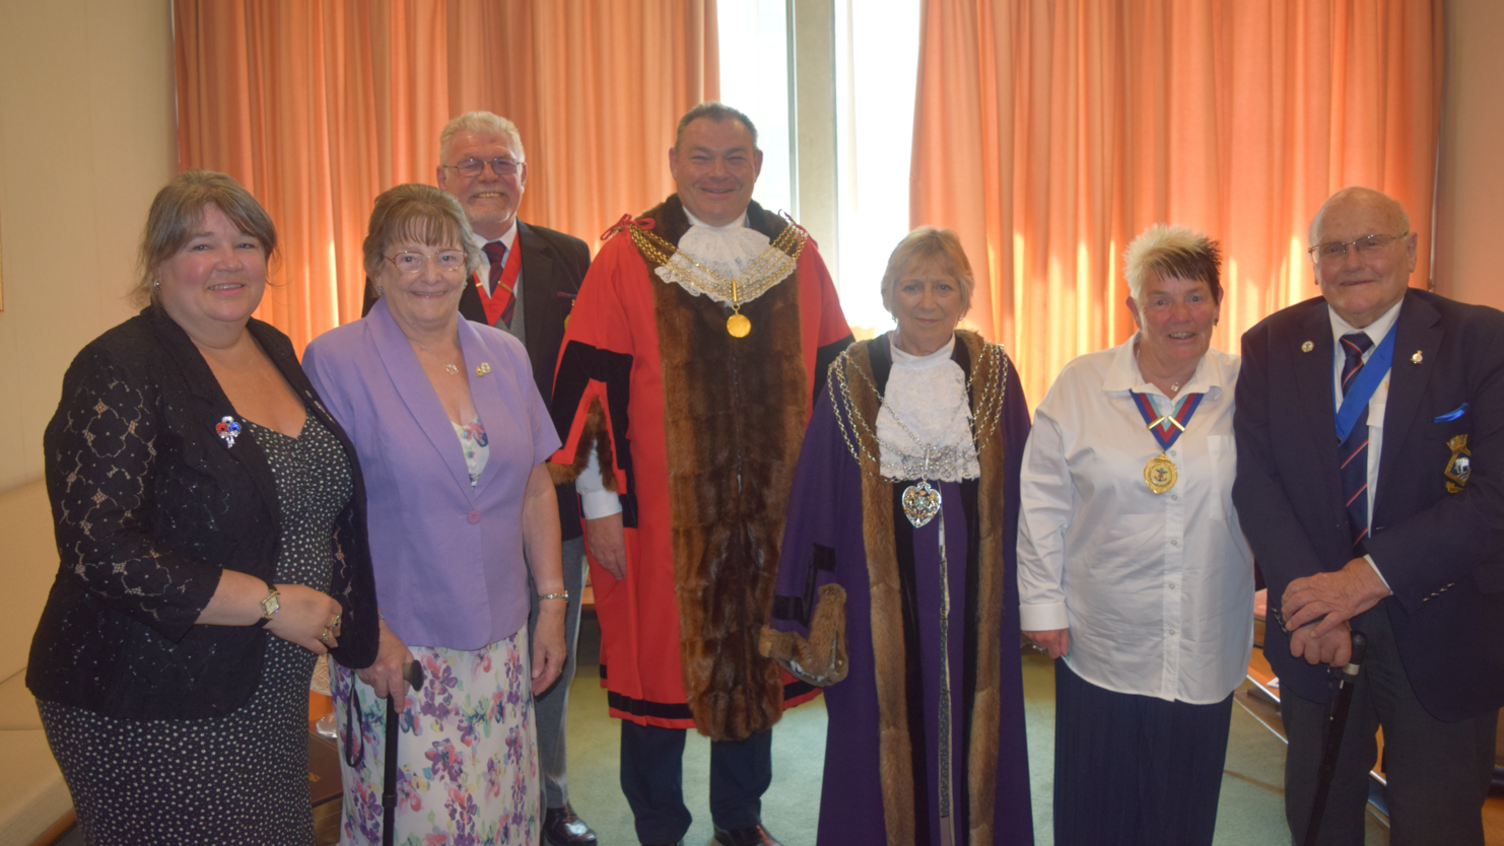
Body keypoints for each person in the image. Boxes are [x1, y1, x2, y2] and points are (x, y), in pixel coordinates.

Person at [26, 170, 379, 846]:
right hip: (149, 693)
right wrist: (272, 603)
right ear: (157, 265)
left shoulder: (270, 346)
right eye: (199, 246)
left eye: (245, 243)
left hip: (260, 691)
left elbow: (312, 502)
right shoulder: (121, 368)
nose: (227, 263)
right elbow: (98, 546)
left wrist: (356, 620)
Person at [549, 102, 851, 846]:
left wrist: (829, 506)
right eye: (702, 157)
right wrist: (600, 507)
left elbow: (838, 382)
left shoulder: (796, 254)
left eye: (734, 157)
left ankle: (739, 821)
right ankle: (659, 825)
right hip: (658, 515)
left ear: (756, 164)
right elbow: (588, 391)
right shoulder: (628, 256)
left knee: (756, 664)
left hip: (776, 517)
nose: (718, 172)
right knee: (656, 679)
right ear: (674, 162)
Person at [1232, 186, 1504, 846]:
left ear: (1411, 251)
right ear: (1314, 261)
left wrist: (1363, 581)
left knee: (1437, 824)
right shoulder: (1270, 343)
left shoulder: (1479, 339)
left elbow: (1495, 496)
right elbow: (1256, 484)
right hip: (1312, 627)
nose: (1353, 260)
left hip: (1442, 627)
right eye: (1335, 247)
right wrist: (1314, 603)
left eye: (1372, 242)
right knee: (1320, 815)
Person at [303, 184, 568, 846]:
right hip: (399, 644)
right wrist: (363, 628)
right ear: (376, 266)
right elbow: (323, 513)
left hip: (501, 641)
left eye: (448, 257)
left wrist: (554, 605)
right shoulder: (334, 360)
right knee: (418, 824)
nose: (431, 275)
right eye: (410, 257)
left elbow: (535, 486)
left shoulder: (504, 354)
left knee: (504, 814)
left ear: (470, 267)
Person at [760, 227, 1035, 845]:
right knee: (871, 735)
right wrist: (813, 605)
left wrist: (1036, 590)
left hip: (978, 601)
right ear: (889, 294)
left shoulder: (994, 372)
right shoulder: (849, 373)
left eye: (944, 286)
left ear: (966, 297)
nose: (928, 301)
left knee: (977, 732)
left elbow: (1028, 488)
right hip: (869, 600)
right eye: (913, 286)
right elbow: (816, 493)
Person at [1016, 224, 1253, 846]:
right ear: (1132, 308)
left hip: (1206, 633)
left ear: (1218, 305)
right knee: (1097, 807)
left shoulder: (1248, 387)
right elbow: (1042, 501)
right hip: (1103, 640)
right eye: (1160, 298)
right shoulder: (1081, 384)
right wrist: (1043, 604)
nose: (1180, 315)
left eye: (1196, 296)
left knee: (1183, 810)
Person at [435, 110, 596, 846]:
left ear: (524, 178)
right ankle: (473, 799)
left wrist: (597, 498)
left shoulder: (570, 257)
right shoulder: (417, 260)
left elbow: (597, 387)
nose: (488, 177)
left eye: (503, 163)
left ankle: (551, 803)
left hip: (547, 502)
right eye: (471, 164)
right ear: (442, 179)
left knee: (547, 653)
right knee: (465, 657)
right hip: (449, 508)